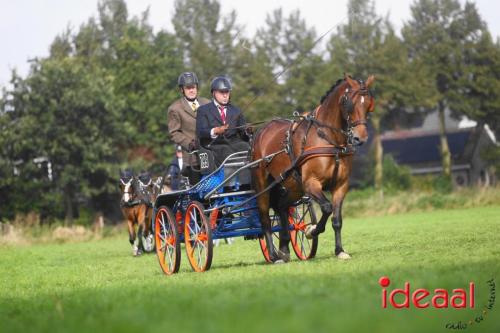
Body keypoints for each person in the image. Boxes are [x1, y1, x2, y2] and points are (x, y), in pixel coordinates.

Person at [196, 76, 250, 166]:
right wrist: (215, 131)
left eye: (227, 92)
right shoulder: (203, 110)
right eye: (222, 92)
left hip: (234, 143)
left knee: (247, 148)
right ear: (213, 93)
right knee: (226, 152)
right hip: (214, 145)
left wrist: (247, 131)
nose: (225, 95)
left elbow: (243, 134)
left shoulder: (236, 110)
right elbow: (200, 132)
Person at [167, 72, 210, 185]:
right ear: (182, 90)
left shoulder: (207, 103)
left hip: (211, 153)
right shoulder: (175, 108)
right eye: (188, 88)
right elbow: (174, 133)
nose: (191, 90)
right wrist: (189, 143)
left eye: (193, 87)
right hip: (193, 158)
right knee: (199, 192)